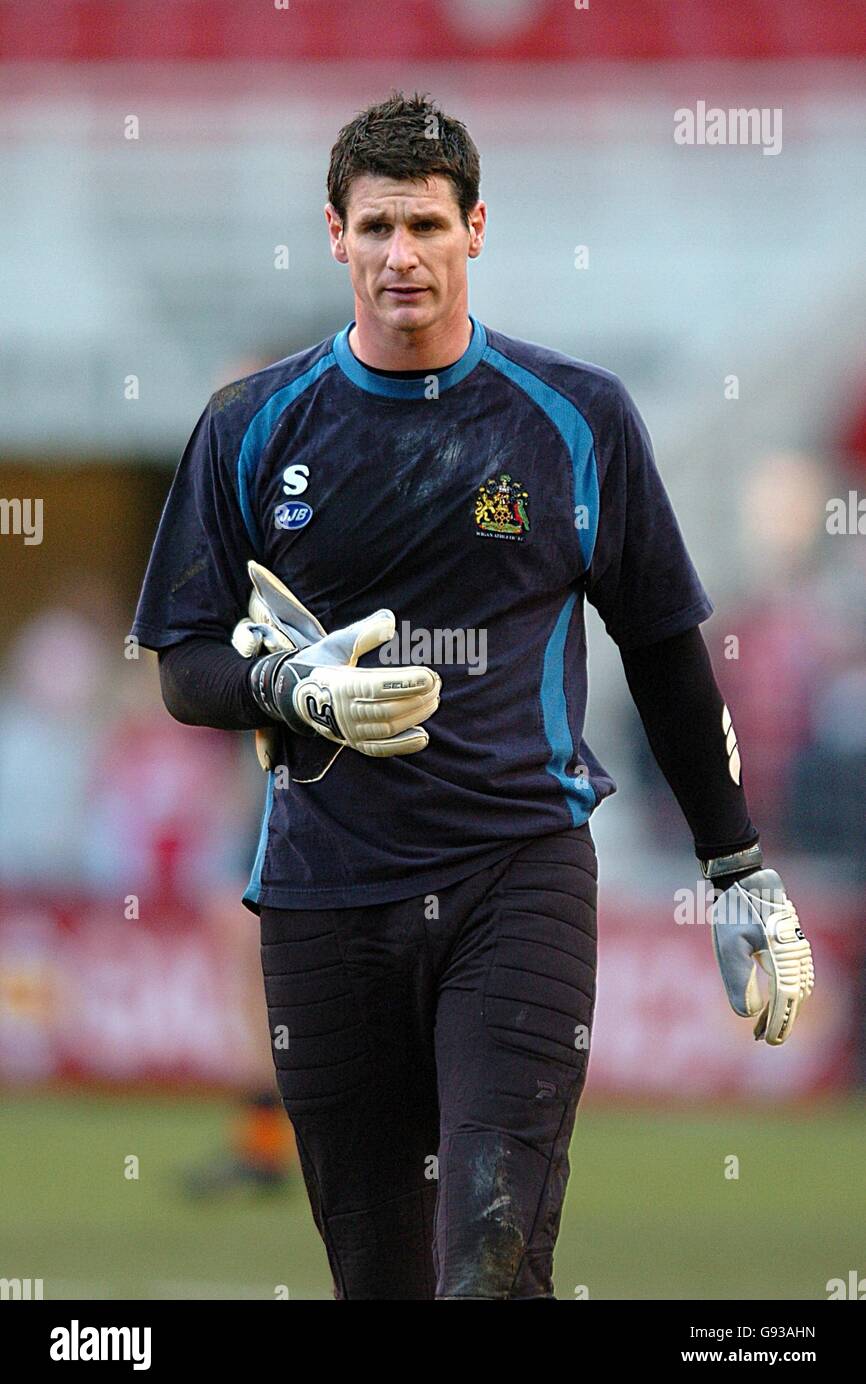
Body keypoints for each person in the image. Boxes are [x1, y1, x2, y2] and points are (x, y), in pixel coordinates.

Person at [130, 91, 812, 1300]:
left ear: (476, 229)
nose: (405, 255)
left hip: (520, 869)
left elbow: (662, 647)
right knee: (380, 1277)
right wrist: (291, 689)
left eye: (429, 226)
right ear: (333, 233)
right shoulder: (248, 427)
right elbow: (183, 660)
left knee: (488, 1260)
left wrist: (734, 863)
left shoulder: (575, 419)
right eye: (379, 225)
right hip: (324, 890)